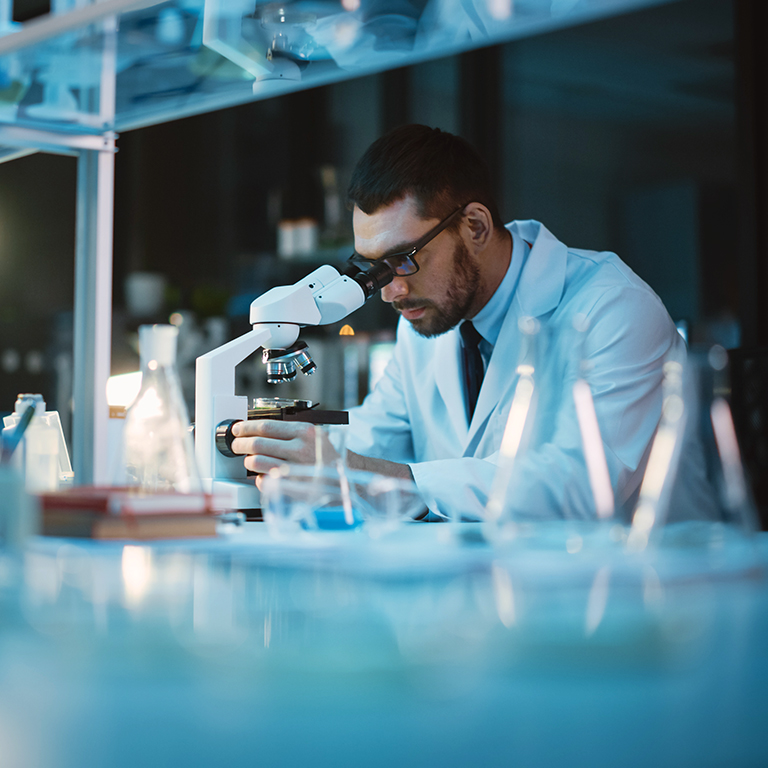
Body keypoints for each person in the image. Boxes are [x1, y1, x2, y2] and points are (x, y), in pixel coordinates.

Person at [231, 124, 685, 521]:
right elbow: (372, 440)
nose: (390, 291)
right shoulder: (425, 320)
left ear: (475, 226)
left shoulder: (614, 309)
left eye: (402, 260)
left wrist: (359, 473)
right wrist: (278, 452)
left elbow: (580, 485)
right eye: (371, 268)